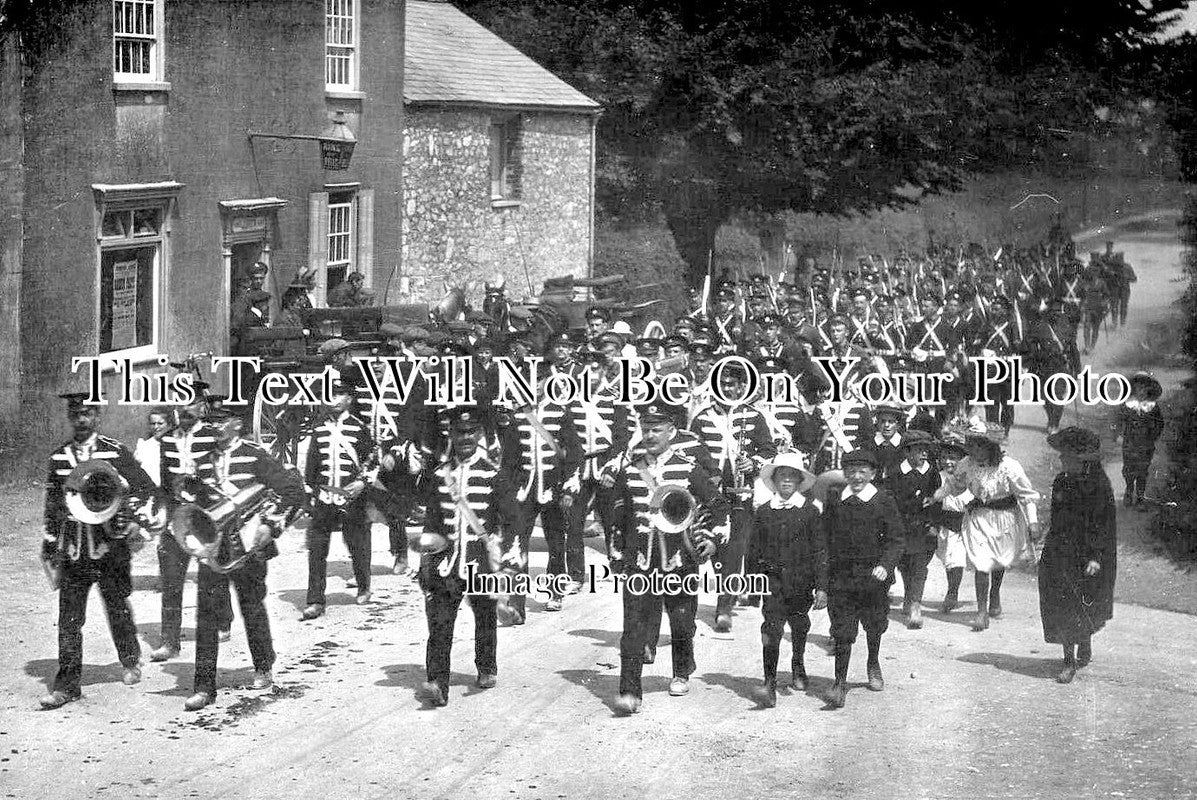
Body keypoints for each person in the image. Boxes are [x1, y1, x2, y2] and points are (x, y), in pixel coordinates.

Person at [39, 393, 157, 709]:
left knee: (117, 607)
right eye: (75, 414)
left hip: (110, 547)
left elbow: (147, 491)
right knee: (69, 619)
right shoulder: (59, 459)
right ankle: (67, 686)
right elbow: (52, 506)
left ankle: (130, 659)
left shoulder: (115, 452)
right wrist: (50, 545)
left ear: (97, 416)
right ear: (70, 417)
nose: (81, 419)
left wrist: (136, 523)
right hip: (74, 549)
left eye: (87, 414)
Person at [183, 409, 306, 711]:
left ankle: (263, 665)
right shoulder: (203, 459)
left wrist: (271, 525)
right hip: (215, 547)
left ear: (237, 424)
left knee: (252, 606)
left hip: (249, 546)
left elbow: (293, 491)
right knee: (207, 614)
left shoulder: (255, 455)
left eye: (221, 422)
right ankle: (203, 685)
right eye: (211, 422)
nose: (215, 427)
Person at [610, 404, 728, 715]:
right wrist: (617, 553)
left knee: (681, 620)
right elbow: (618, 517)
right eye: (645, 429)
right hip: (640, 560)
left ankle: (681, 671)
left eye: (656, 430)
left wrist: (711, 539)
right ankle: (629, 691)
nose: (649, 435)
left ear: (671, 432)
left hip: (679, 558)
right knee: (632, 626)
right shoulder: (630, 470)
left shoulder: (687, 468)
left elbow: (718, 506)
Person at [417, 406, 524, 707]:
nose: (464, 438)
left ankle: (486, 666)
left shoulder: (494, 475)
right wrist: (426, 561)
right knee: (439, 622)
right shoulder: (440, 475)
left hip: (481, 561)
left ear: (479, 435)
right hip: (446, 562)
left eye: (470, 432)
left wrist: (511, 560)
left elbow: (513, 520)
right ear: (450, 434)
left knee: (485, 615)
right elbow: (432, 523)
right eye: (458, 432)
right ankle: (437, 680)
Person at [935, 422, 1040, 631]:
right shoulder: (966, 464)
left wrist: (1033, 522)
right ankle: (982, 611)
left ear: (990, 447)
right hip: (979, 517)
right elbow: (954, 485)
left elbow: (1027, 496)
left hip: (1005, 518)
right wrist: (936, 496)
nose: (972, 451)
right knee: (981, 563)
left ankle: (995, 593)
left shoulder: (1009, 467)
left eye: (978, 446)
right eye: (970, 446)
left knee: (999, 560)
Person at [822, 449, 903, 709]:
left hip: (873, 577)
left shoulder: (883, 500)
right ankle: (839, 682)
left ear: (872, 474)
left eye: (862, 472)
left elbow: (896, 539)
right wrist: (823, 578)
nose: (857, 477)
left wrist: (885, 565)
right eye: (851, 471)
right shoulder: (835, 499)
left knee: (874, 623)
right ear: (844, 473)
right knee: (843, 630)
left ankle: (873, 661)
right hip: (842, 576)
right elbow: (824, 539)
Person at [745, 453, 826, 708]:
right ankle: (769, 682)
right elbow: (753, 550)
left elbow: (820, 551)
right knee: (771, 629)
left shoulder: (810, 512)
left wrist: (822, 586)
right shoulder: (765, 512)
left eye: (792, 476)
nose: (787, 481)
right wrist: (752, 584)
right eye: (782, 476)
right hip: (772, 581)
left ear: (800, 481)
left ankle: (798, 663)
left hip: (801, 581)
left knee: (799, 625)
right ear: (775, 480)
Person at [1039, 426, 1116, 684]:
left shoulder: (1099, 485)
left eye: (1066, 457)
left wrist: (1095, 557)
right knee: (1062, 601)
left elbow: (1103, 525)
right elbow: (1056, 517)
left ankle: (1084, 643)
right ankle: (1068, 660)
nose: (1061, 460)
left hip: (1088, 554)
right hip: (1060, 551)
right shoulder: (1062, 480)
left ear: (1081, 460)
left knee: (1082, 601)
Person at [299, 381, 377, 619]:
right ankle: (315, 600)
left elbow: (372, 460)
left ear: (349, 400)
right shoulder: (319, 428)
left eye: (338, 394)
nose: (332, 399)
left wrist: (362, 483)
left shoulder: (359, 428)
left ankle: (364, 585)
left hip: (352, 497)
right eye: (329, 394)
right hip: (324, 496)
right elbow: (311, 465)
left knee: (358, 544)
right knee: (317, 548)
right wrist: (311, 494)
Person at [887, 429, 941, 629]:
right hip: (900, 526)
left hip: (923, 527)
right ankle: (909, 596)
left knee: (919, 565)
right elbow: (889, 499)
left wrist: (934, 524)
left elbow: (937, 499)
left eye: (926, 450)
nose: (924, 454)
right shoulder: (895, 473)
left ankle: (915, 605)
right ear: (907, 452)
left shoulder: (932, 472)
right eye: (919, 450)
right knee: (903, 564)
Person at [1112, 372, 1165, 510]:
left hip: (1146, 444)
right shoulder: (1127, 405)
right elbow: (1118, 420)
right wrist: (1117, 434)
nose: (1141, 391)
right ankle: (1129, 490)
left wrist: (1153, 436)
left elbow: (1160, 423)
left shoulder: (1152, 407)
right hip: (1130, 442)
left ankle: (1140, 497)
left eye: (1144, 388)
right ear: (1133, 389)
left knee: (1143, 469)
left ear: (1149, 390)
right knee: (1129, 468)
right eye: (1138, 388)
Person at [133, 407, 173, 487]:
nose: (156, 427)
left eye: (160, 423)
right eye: (153, 424)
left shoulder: (175, 443)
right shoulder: (144, 447)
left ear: (169, 425)